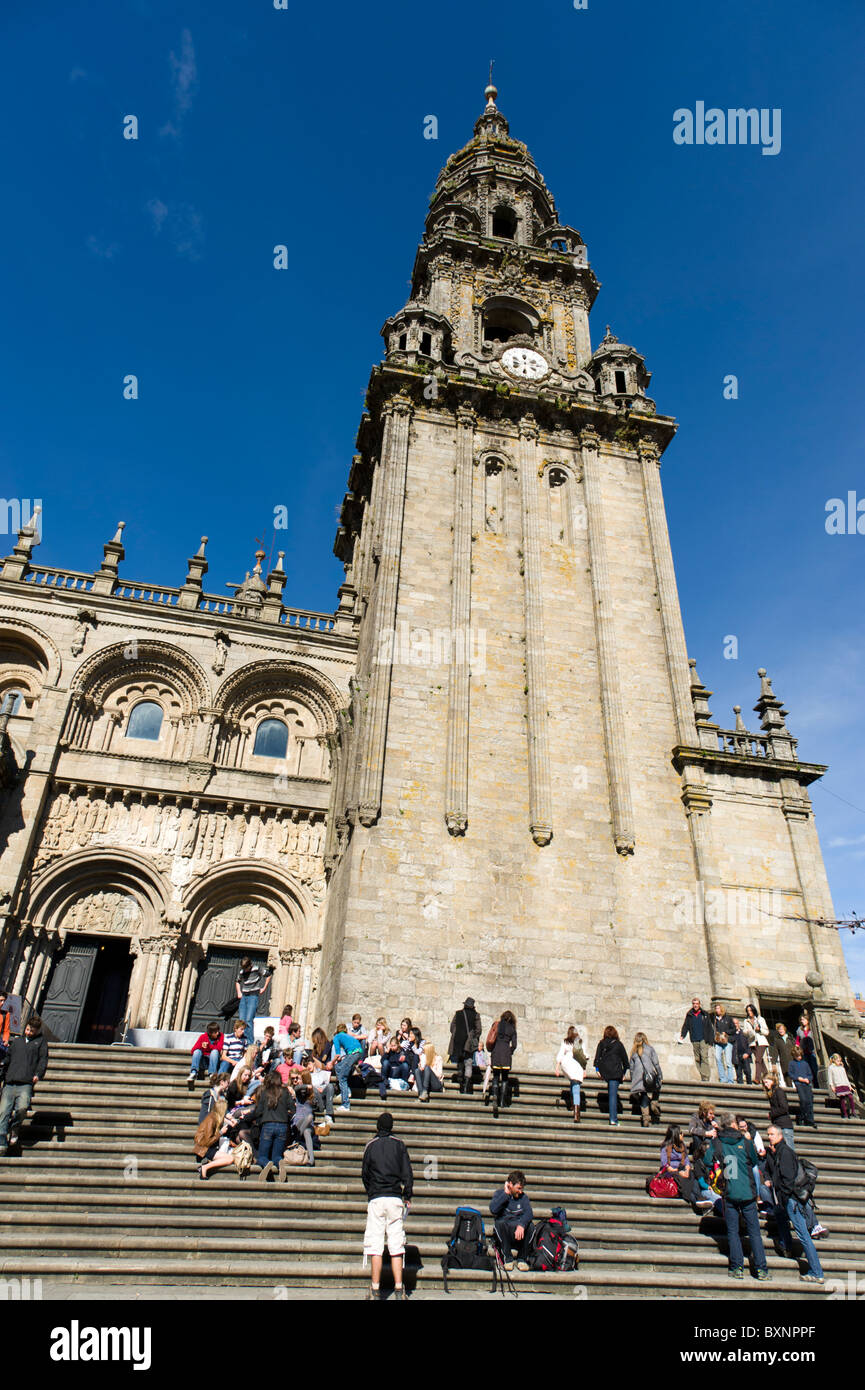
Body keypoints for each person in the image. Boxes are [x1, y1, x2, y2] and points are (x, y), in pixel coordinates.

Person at [713, 1112, 770, 1281]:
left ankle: (737, 1267)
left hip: (730, 1190)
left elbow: (713, 1158)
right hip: (747, 1190)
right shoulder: (745, 1142)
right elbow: (753, 1161)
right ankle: (761, 1269)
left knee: (732, 1231)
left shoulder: (718, 1142)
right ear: (734, 1125)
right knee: (754, 1231)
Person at [361, 1111, 413, 1300]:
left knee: (375, 1244)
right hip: (394, 1197)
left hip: (376, 1197)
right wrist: (407, 1194)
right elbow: (408, 1172)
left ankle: (375, 1289)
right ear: (391, 1126)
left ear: (377, 1126)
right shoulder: (399, 1145)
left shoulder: (371, 1146)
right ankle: (399, 1289)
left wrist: (371, 1191)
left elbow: (364, 1173)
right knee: (396, 1244)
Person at [764, 1124, 824, 1283]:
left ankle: (817, 1272)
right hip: (789, 1199)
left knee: (804, 1235)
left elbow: (787, 1179)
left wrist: (784, 1196)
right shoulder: (780, 1152)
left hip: (791, 1200)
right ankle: (789, 1248)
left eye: (772, 1134)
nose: (769, 1137)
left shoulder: (784, 1153)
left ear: (780, 1135)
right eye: (768, 1134)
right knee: (784, 1218)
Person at [0, 1015, 48, 1155]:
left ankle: (14, 1127)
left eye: (31, 1031)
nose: (28, 1032)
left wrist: (38, 1074)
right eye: (27, 1029)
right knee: (3, 1112)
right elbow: (8, 1058)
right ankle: (2, 1140)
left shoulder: (40, 1043)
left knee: (22, 1108)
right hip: (11, 1081)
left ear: (37, 1031)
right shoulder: (17, 1041)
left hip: (26, 1082)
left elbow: (42, 1060)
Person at [658, 1125, 713, 1210]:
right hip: (671, 1173)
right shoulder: (665, 1147)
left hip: (683, 1170)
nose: (683, 1134)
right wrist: (678, 1172)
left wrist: (687, 1169)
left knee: (692, 1176)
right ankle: (698, 1201)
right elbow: (665, 1164)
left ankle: (699, 1199)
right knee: (685, 1183)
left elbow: (687, 1160)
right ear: (675, 1135)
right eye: (680, 1133)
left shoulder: (682, 1146)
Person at [489, 1170, 534, 1271]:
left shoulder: (524, 1198)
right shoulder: (499, 1194)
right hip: (505, 1235)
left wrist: (522, 1225)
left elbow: (529, 1213)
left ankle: (522, 1259)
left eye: (522, 1189)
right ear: (510, 1184)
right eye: (518, 1188)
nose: (520, 1191)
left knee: (531, 1226)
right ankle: (508, 1259)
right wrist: (506, 1194)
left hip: (519, 1234)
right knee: (499, 1223)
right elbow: (493, 1209)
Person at [252, 1071, 293, 1177]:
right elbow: (293, 1109)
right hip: (283, 1125)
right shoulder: (285, 1091)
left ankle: (266, 1163)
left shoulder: (265, 1092)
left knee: (261, 1156)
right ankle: (279, 1162)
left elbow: (258, 1111)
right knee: (277, 1155)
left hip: (267, 1125)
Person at [593, 1025, 629, 1127]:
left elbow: (597, 1058)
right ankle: (613, 1119)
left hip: (605, 1071)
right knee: (613, 1095)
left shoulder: (601, 1043)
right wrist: (623, 1073)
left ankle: (613, 1117)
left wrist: (597, 1070)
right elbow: (626, 1061)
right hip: (615, 1072)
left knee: (611, 1092)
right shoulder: (619, 1044)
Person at [235, 957, 272, 1047]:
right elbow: (237, 981)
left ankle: (249, 1042)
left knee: (248, 1019)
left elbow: (268, 975)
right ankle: (241, 1040)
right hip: (244, 996)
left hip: (253, 996)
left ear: (250, 965)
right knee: (241, 1019)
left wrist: (264, 988)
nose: (245, 970)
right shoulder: (242, 972)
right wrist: (239, 992)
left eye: (246, 968)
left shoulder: (256, 969)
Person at [448, 998, 482, 1095]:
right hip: (468, 1042)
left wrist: (455, 1034)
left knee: (460, 1059)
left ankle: (460, 1076)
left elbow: (452, 1026)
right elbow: (478, 1030)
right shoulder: (476, 1015)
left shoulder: (458, 1013)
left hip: (457, 1041)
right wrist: (472, 1037)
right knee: (468, 1062)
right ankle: (466, 1087)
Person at [629, 1032, 663, 1127]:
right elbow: (656, 1064)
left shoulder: (633, 1052)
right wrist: (660, 1076)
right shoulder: (650, 1049)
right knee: (656, 1087)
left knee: (643, 1095)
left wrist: (633, 1079)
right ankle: (654, 1103)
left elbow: (631, 1068)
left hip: (638, 1077)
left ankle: (645, 1118)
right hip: (649, 1075)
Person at [488, 1010, 517, 1118]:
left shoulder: (497, 1024)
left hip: (496, 1052)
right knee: (504, 1078)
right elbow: (514, 1044)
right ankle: (502, 1101)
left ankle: (495, 1096)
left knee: (495, 1076)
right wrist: (510, 1051)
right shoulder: (512, 1029)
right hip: (505, 1054)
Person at [555, 1025, 587, 1123]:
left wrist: (557, 1066)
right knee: (576, 1086)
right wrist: (584, 1069)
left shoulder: (565, 1041)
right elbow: (584, 1056)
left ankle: (573, 1104)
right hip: (577, 1065)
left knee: (573, 1082)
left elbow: (561, 1053)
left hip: (567, 1064)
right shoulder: (579, 1042)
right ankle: (576, 1113)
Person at [676, 995, 712, 1082]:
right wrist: (682, 1036)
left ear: (699, 1004)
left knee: (704, 1057)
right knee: (697, 1058)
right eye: (694, 1004)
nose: (695, 1005)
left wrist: (711, 1041)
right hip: (694, 1039)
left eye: (697, 1003)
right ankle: (702, 1074)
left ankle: (706, 1077)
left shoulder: (705, 1014)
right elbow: (686, 1026)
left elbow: (709, 1028)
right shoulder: (689, 1015)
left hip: (704, 1038)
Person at [331, 1022, 364, 1113]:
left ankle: (345, 1104)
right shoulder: (347, 1036)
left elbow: (337, 1054)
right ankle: (346, 1091)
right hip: (358, 1052)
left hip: (353, 1053)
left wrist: (331, 1063)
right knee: (338, 1066)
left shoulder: (336, 1037)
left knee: (342, 1077)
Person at [763, 1074, 796, 1151]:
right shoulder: (773, 1092)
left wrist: (771, 1114)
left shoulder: (778, 1091)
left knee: (789, 1150)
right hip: (778, 1124)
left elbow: (784, 1108)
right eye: (764, 1083)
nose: (765, 1085)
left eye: (767, 1082)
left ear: (772, 1081)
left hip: (784, 1125)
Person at [187, 1022, 225, 1088]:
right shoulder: (203, 1037)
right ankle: (193, 1072)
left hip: (214, 1061)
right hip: (204, 1061)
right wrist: (201, 1046)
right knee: (197, 1051)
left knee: (214, 1052)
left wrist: (208, 1046)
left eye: (218, 1031)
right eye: (215, 1032)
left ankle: (212, 1074)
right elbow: (193, 1050)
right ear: (210, 1033)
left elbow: (219, 1048)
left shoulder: (221, 1036)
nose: (217, 1033)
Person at [788, 1045, 817, 1129]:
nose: (799, 1057)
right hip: (799, 1084)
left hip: (807, 1084)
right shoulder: (792, 1063)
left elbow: (810, 1074)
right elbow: (791, 1074)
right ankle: (801, 1117)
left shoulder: (805, 1063)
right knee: (803, 1100)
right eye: (797, 1056)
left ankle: (810, 1120)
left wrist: (808, 1079)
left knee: (810, 1101)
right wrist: (798, 1078)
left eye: (800, 1055)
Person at [289, 1084, 316, 1167]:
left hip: (309, 1126)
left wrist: (312, 1089)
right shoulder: (297, 1099)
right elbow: (297, 1088)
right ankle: (297, 1138)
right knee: (307, 1118)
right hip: (298, 1124)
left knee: (307, 1130)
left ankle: (311, 1159)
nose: (303, 1092)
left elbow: (321, 1106)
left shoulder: (311, 1100)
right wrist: (306, 1086)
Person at [744, 1004, 770, 1084]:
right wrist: (748, 1032)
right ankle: (766, 1074)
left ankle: (757, 1078)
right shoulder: (746, 1021)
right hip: (752, 1042)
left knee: (757, 1060)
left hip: (761, 1042)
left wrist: (760, 1029)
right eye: (748, 1011)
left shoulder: (760, 1019)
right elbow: (745, 1032)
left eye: (750, 1010)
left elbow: (767, 1032)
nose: (749, 1012)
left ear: (754, 1010)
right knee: (760, 1061)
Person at [379, 1035, 411, 1099]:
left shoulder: (402, 1051)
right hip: (390, 1071)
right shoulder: (389, 1052)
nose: (393, 1048)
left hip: (398, 1071)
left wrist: (404, 1059)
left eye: (394, 1046)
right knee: (385, 1062)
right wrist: (386, 1053)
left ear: (398, 1045)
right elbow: (382, 1061)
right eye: (391, 1046)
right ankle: (384, 1080)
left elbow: (408, 1063)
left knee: (405, 1065)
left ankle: (405, 1083)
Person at [711, 1004, 735, 1084]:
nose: (716, 1010)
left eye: (718, 1008)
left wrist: (726, 1032)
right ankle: (723, 1078)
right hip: (718, 1041)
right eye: (716, 1008)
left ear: (721, 1009)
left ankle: (730, 1080)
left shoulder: (728, 1018)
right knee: (718, 1058)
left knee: (728, 1061)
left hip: (727, 1041)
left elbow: (733, 1029)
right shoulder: (714, 1019)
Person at [827, 1053, 855, 1118]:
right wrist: (832, 1086)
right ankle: (845, 1113)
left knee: (850, 1097)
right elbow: (830, 1078)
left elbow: (845, 1077)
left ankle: (853, 1111)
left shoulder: (841, 1068)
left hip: (845, 1084)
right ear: (834, 1060)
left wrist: (849, 1086)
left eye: (840, 1061)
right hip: (838, 1085)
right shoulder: (831, 1068)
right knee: (842, 1099)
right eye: (838, 1061)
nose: (839, 1062)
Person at [797, 1012, 820, 1087]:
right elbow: (797, 1040)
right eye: (801, 1020)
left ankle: (817, 1084)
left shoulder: (812, 1028)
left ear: (807, 1020)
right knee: (807, 1069)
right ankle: (810, 1085)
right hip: (804, 1053)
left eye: (803, 1019)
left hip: (812, 1052)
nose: (802, 1021)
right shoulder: (799, 1030)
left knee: (814, 1069)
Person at [770, 1021, 793, 1088]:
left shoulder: (790, 1038)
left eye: (782, 1029)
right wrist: (773, 1063)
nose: (781, 1031)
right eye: (779, 1029)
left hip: (793, 1060)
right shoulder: (777, 1040)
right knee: (787, 1079)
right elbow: (775, 1052)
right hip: (784, 1061)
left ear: (785, 1029)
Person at [730, 1018, 752, 1086]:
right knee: (739, 1074)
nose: (735, 1025)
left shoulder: (744, 1033)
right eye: (734, 1024)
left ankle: (750, 1086)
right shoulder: (731, 1034)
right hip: (736, 1056)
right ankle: (741, 1089)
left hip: (745, 1055)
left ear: (739, 1024)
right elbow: (730, 1040)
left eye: (736, 1023)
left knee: (748, 1072)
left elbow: (749, 1044)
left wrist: (747, 1053)